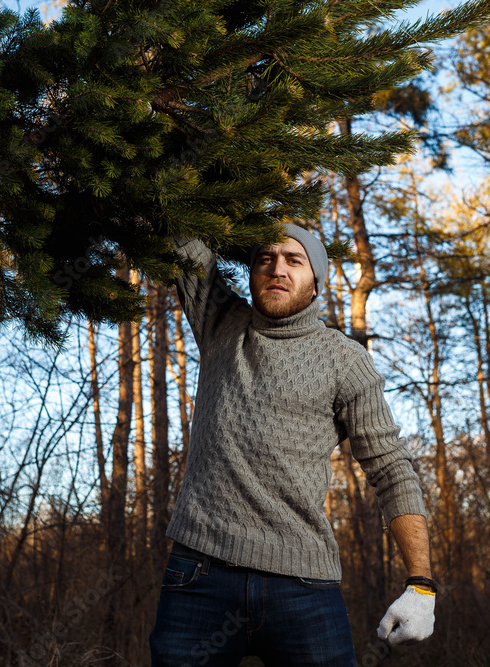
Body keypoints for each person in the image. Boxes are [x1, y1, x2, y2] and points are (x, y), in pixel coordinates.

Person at [149, 223, 436, 666]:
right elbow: (180, 225)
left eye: (293, 260)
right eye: (265, 258)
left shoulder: (345, 360)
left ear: (316, 280)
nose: (277, 269)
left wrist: (421, 585)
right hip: (199, 575)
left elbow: (391, 469)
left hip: (303, 584)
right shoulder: (220, 321)